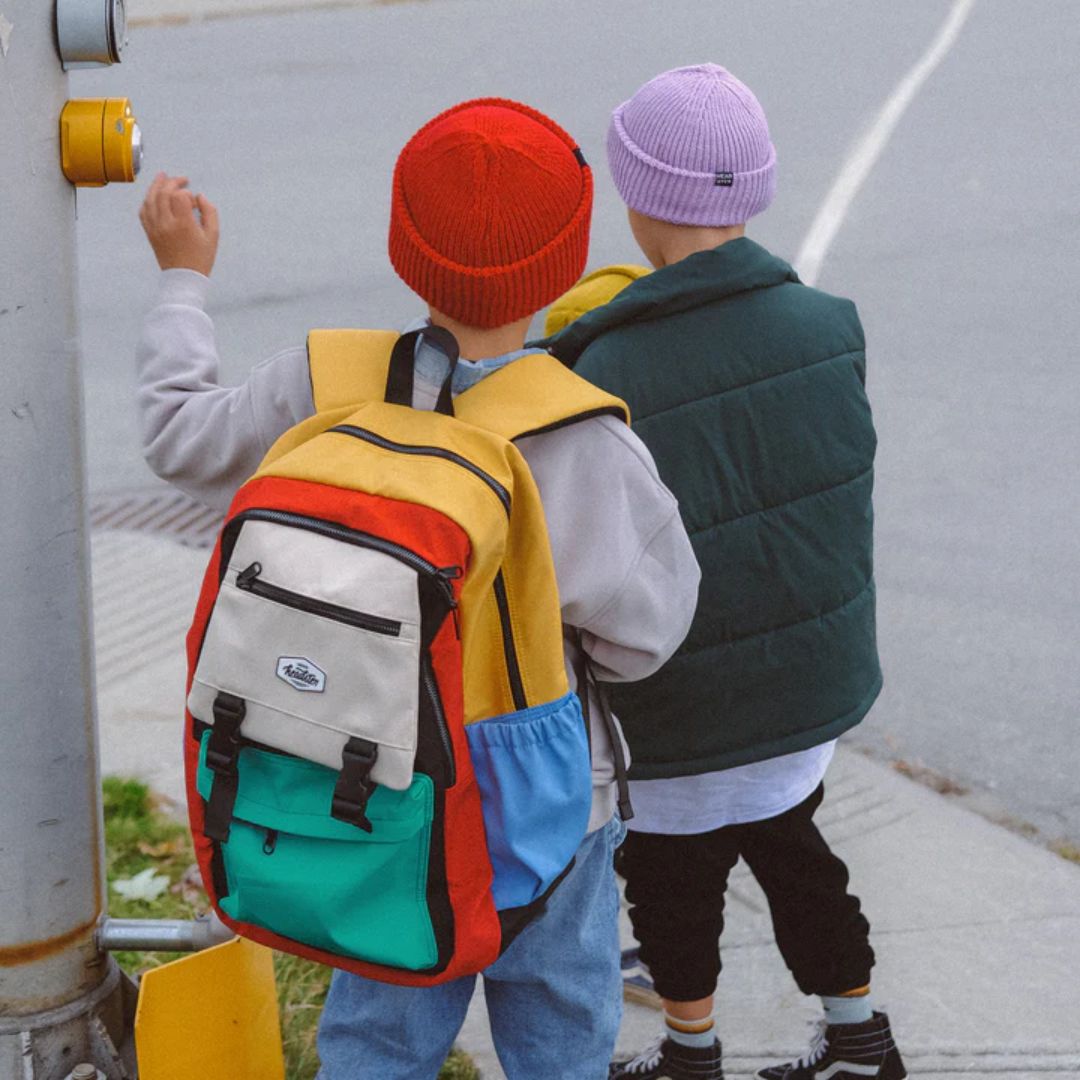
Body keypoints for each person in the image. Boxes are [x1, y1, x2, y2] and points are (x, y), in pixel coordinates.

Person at [135, 98, 700, 1079]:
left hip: (363, 771)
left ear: (404, 244)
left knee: (380, 1030)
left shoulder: (325, 383)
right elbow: (647, 635)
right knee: (561, 1026)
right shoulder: (581, 437)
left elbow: (177, 438)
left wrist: (183, 281)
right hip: (548, 796)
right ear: (567, 261)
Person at [540, 66, 906, 1080]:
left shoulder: (599, 369)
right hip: (805, 689)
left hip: (677, 705)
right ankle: (859, 1039)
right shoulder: (830, 325)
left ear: (635, 193)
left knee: (671, 884)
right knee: (799, 861)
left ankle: (690, 1054)